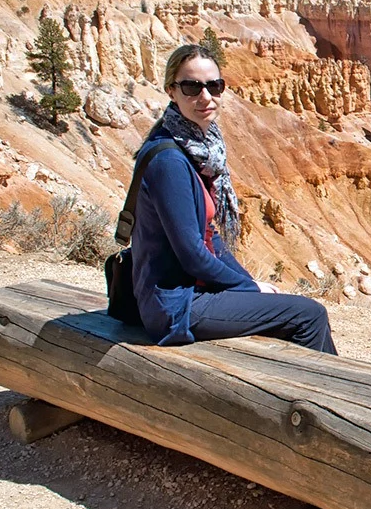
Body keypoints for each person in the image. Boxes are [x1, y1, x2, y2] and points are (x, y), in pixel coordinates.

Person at [129, 42, 337, 353]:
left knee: (283, 309)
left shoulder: (193, 148)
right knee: (309, 315)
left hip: (185, 294)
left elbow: (209, 234)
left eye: (214, 86)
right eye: (192, 87)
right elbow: (192, 254)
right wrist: (249, 288)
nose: (205, 97)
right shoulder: (170, 162)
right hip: (176, 305)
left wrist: (250, 284)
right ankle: (326, 397)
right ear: (172, 91)